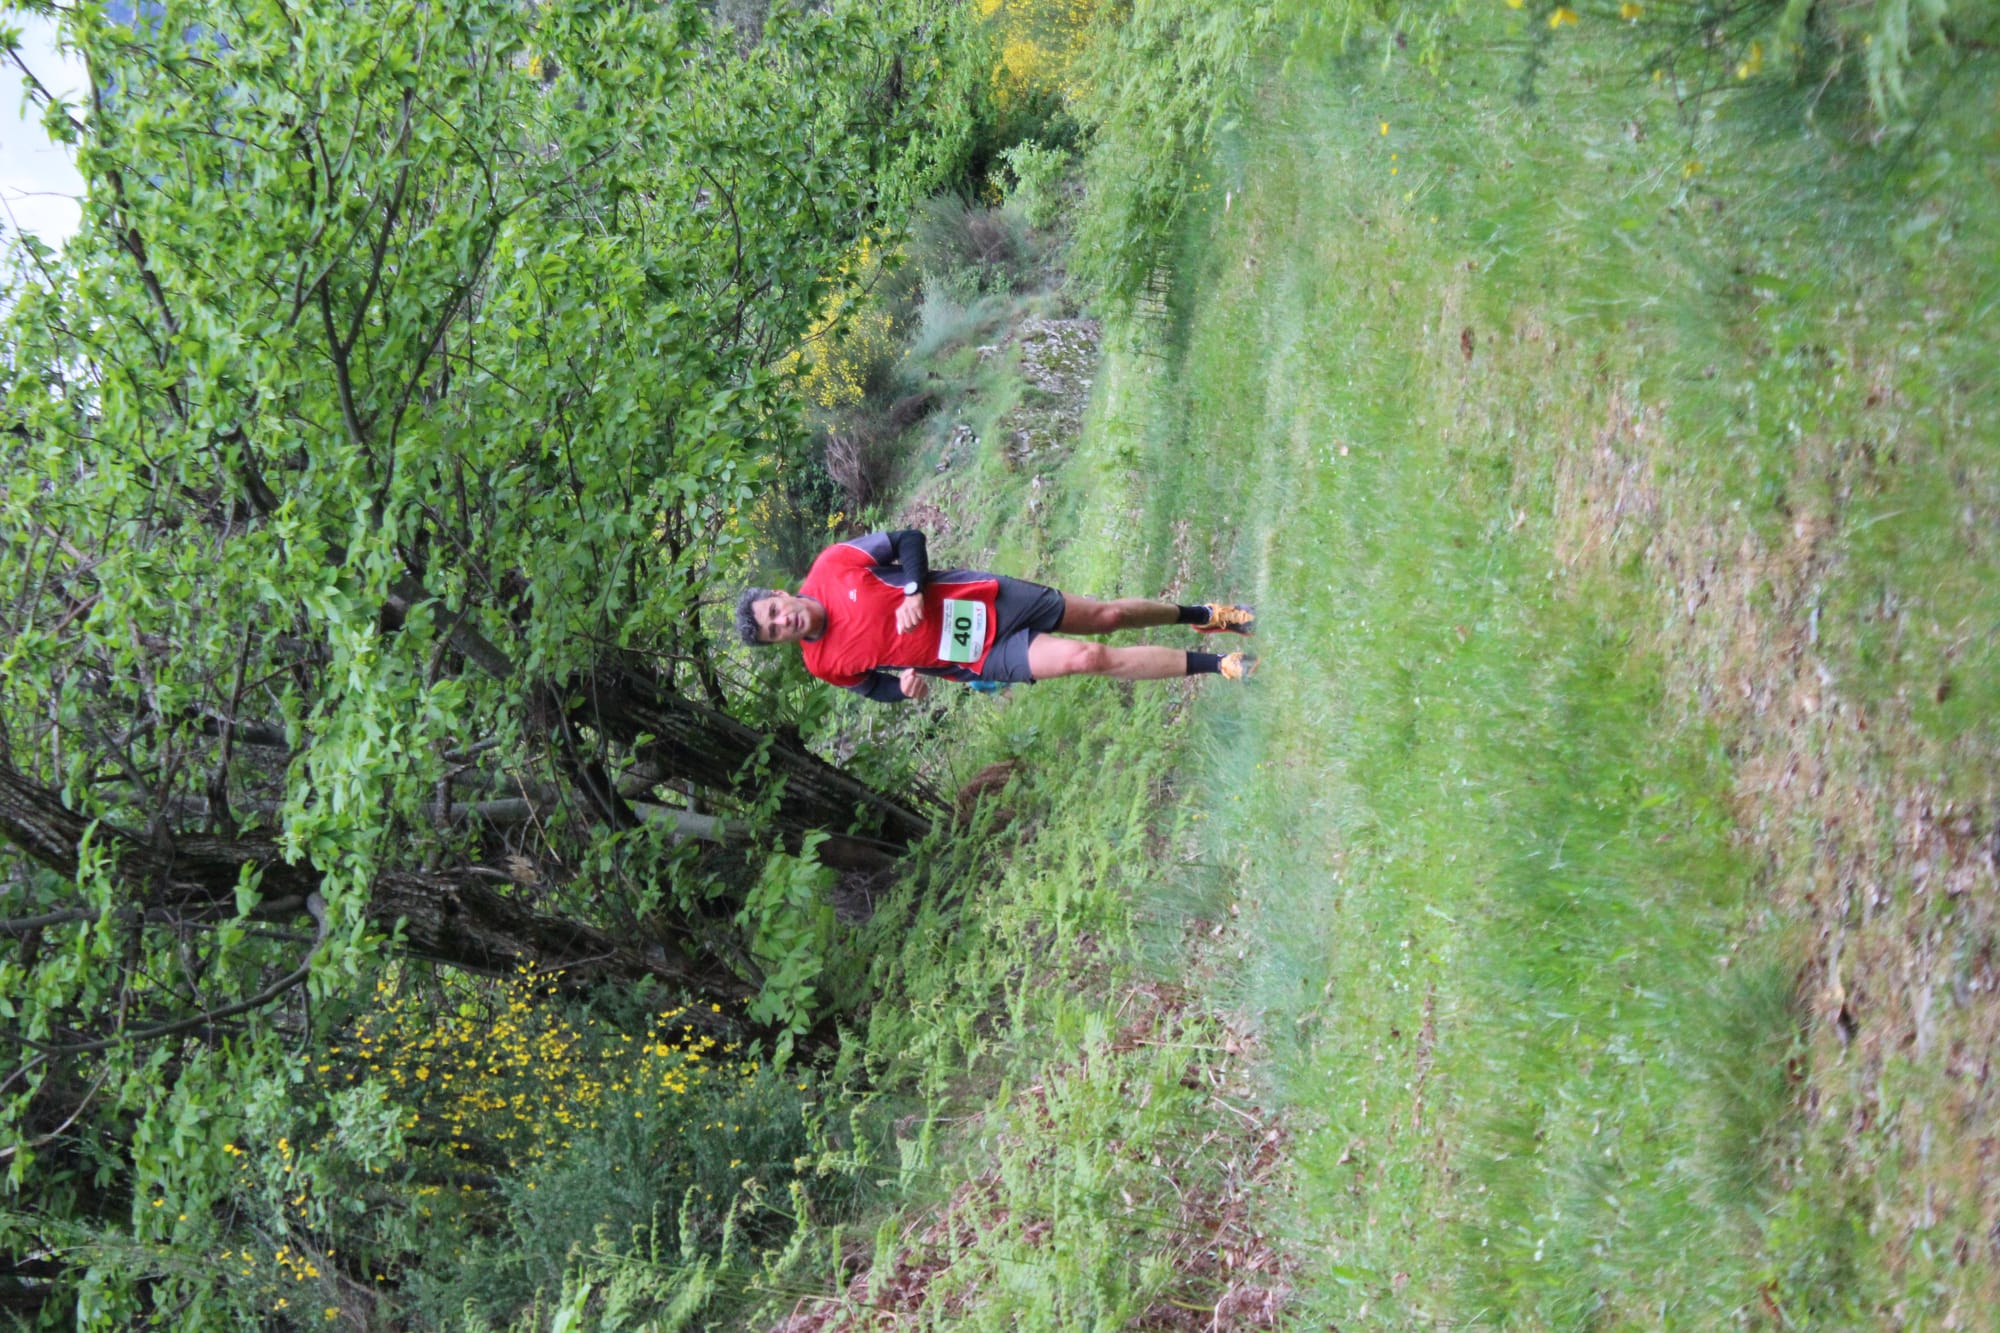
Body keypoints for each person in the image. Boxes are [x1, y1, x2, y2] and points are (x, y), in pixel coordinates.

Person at [734, 529, 1256, 703]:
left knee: (1108, 615)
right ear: (778, 642)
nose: (783, 622)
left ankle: (1205, 613)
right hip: (977, 655)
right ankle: (1221, 665)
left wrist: (914, 588)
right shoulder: (822, 665)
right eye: (774, 631)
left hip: (989, 598)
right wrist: (905, 689)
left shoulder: (833, 564)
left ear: (779, 594)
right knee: (1088, 657)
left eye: (774, 612)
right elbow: (873, 687)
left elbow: (908, 540)